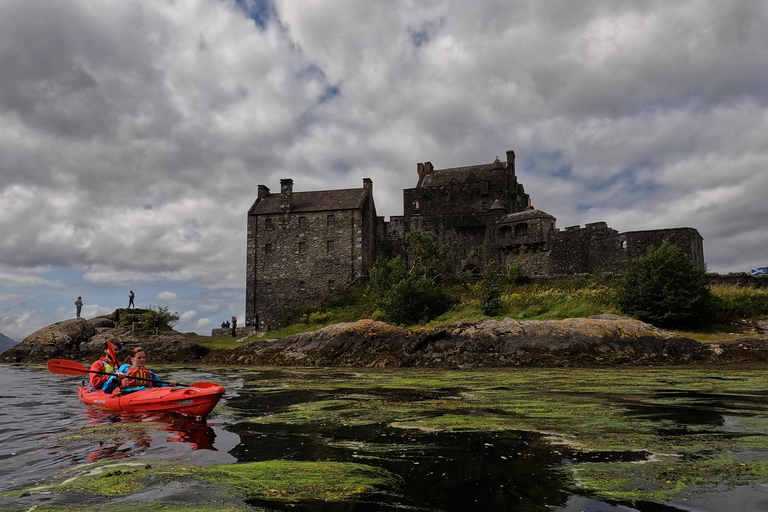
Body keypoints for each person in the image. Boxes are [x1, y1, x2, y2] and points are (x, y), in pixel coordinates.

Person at [103, 346, 176, 394]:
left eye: (144, 357)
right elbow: (106, 389)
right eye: (139, 358)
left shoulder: (148, 372)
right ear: (132, 359)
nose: (142, 360)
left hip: (146, 393)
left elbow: (159, 383)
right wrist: (115, 379)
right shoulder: (124, 368)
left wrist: (169, 384)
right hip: (129, 394)